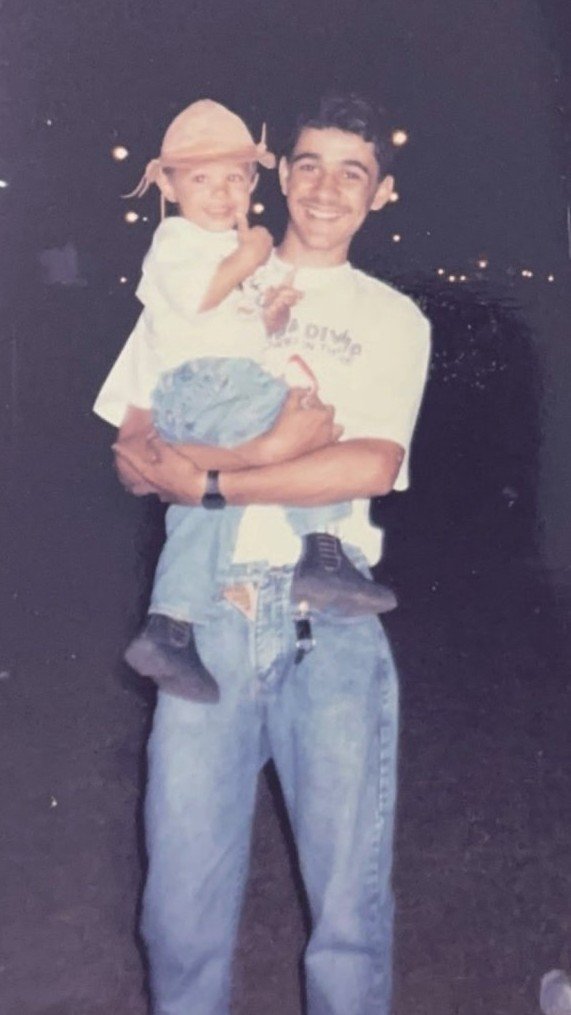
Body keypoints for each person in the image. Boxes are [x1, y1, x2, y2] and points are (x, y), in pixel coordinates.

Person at [110, 93, 431, 1015]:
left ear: (380, 193)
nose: (326, 187)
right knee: (178, 912)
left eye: (352, 172)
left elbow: (368, 461)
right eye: (309, 164)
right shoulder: (193, 283)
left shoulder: (393, 319)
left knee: (348, 912)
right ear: (279, 175)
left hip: (330, 615)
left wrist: (210, 481)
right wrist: (260, 454)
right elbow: (133, 455)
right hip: (203, 621)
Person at [94, 99, 397, 704]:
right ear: (168, 186)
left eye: (234, 178)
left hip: (220, 384)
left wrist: (270, 311)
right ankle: (322, 550)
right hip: (204, 385)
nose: (220, 193)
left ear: (255, 183)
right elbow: (195, 302)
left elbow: (236, 326)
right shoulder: (176, 240)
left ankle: (170, 625)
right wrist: (247, 258)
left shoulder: (389, 318)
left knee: (204, 512)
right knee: (308, 429)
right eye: (201, 179)